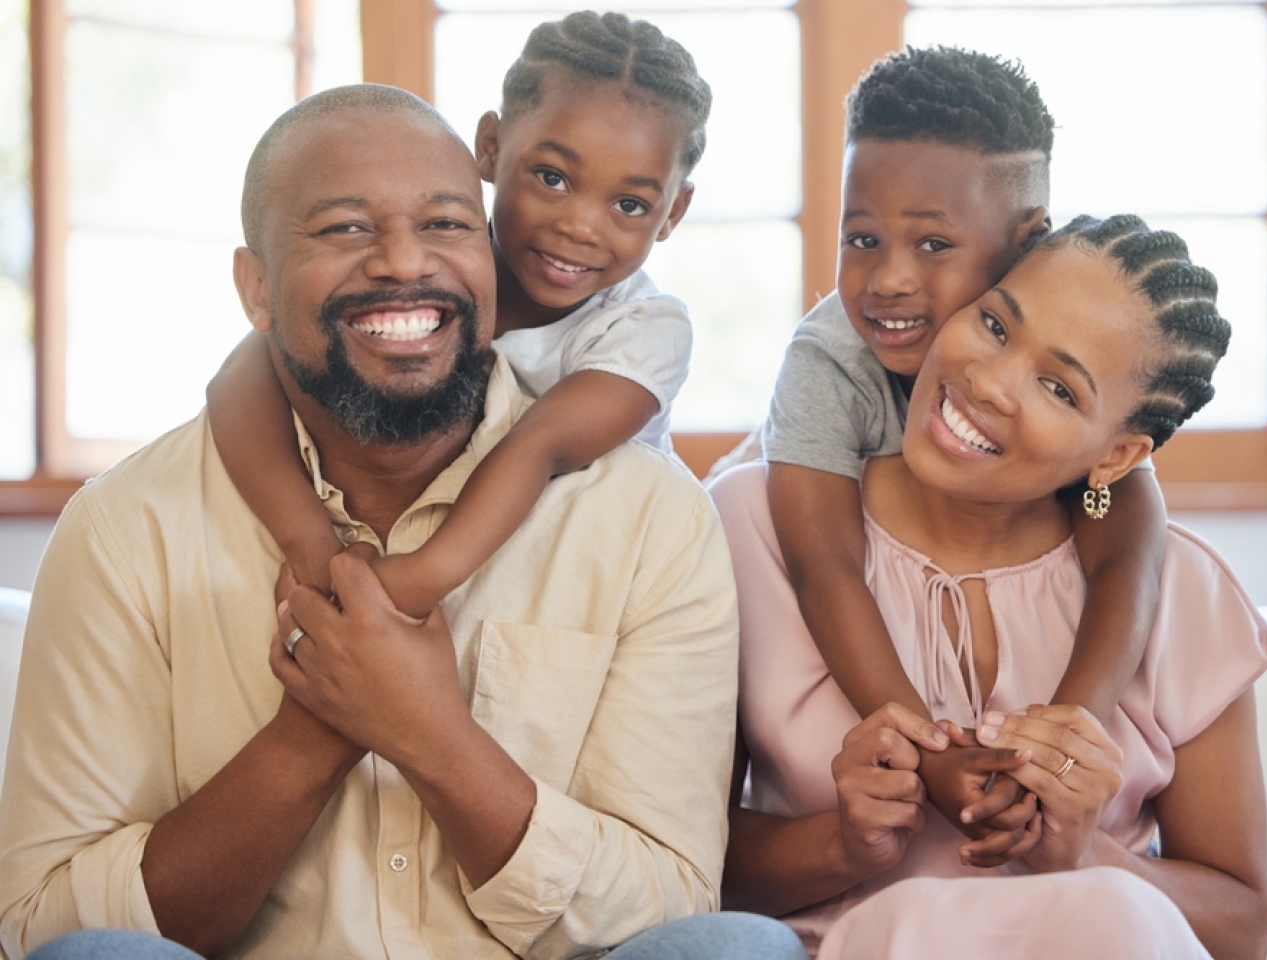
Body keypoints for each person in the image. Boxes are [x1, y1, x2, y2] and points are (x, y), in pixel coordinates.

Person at [0, 86, 804, 960]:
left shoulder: (649, 518)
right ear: (256, 286)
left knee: (734, 950)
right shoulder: (126, 529)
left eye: (449, 225)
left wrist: (430, 734)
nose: (401, 262)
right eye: (345, 229)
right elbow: (46, 922)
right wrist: (315, 730)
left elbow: (666, 903)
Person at [713, 214, 1267, 958]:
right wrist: (844, 845)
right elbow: (682, 872)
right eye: (993, 324)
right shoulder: (747, 526)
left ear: (1117, 456)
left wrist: (1086, 851)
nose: (988, 383)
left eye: (1058, 388)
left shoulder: (1184, 592)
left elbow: (1244, 927)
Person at [758, 48, 1171, 854]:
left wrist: (1063, 735)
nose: (888, 281)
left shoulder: (1068, 347)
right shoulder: (827, 358)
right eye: (862, 238)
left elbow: (1128, 542)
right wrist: (928, 752)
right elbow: (823, 566)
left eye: (934, 246)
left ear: (1027, 242)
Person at [206, 11, 707, 619]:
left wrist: (412, 585)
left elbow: (541, 446)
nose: (579, 225)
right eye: (552, 177)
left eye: (629, 203)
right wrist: (312, 546)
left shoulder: (645, 330)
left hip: (587, 563)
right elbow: (243, 376)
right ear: (491, 149)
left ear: (674, 212)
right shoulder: (443, 272)